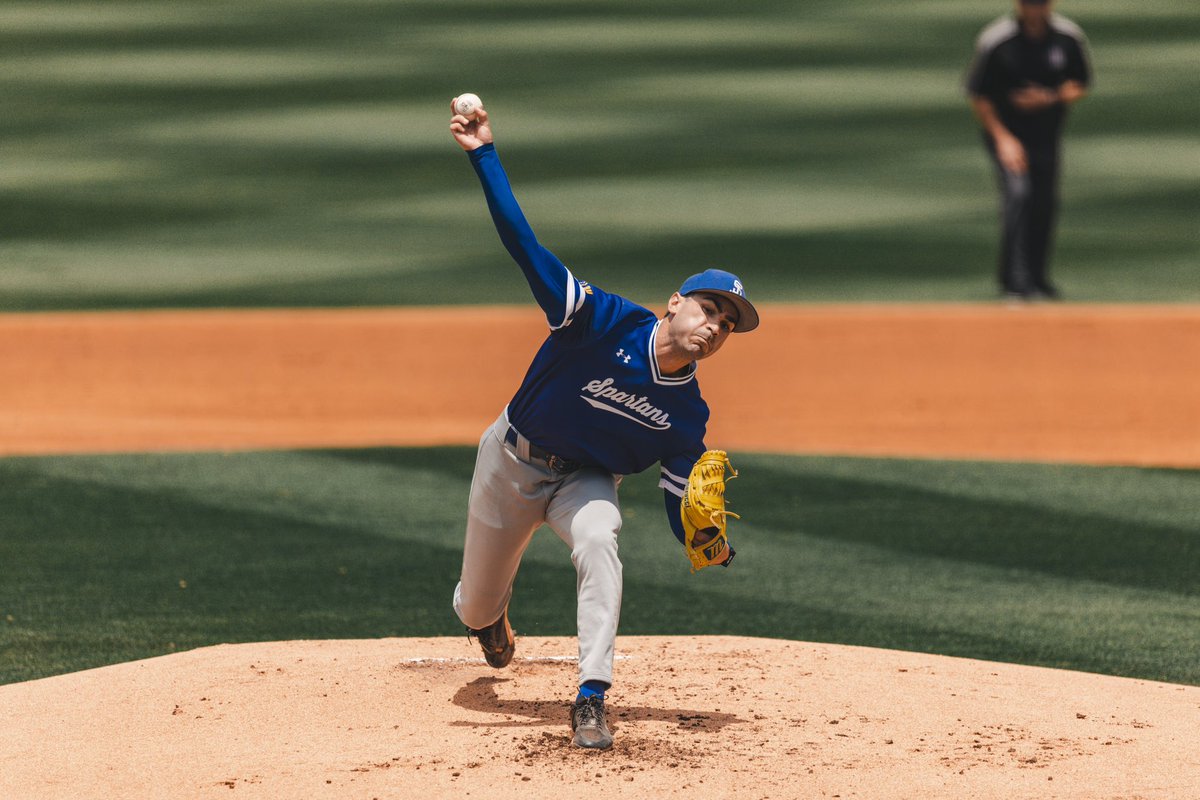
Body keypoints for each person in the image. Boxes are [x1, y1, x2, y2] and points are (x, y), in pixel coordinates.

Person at [448, 97, 758, 750]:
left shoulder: (687, 415)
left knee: (599, 537)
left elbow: (680, 501)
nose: (715, 326)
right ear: (674, 303)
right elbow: (524, 246)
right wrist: (484, 155)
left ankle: (591, 696)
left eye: (728, 324)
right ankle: (490, 622)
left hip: (584, 480)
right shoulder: (598, 319)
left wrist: (707, 540)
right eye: (708, 309)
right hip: (510, 459)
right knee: (473, 605)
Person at [966, 0, 1092, 301]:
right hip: (1008, 133)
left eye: (1040, 3)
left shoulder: (1067, 36)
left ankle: (1038, 280)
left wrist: (1049, 98)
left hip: (1047, 135)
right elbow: (979, 95)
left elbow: (1080, 83)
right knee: (1018, 194)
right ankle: (1014, 283)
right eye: (1029, 3)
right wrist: (1003, 139)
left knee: (1044, 202)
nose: (1035, 9)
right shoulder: (997, 39)